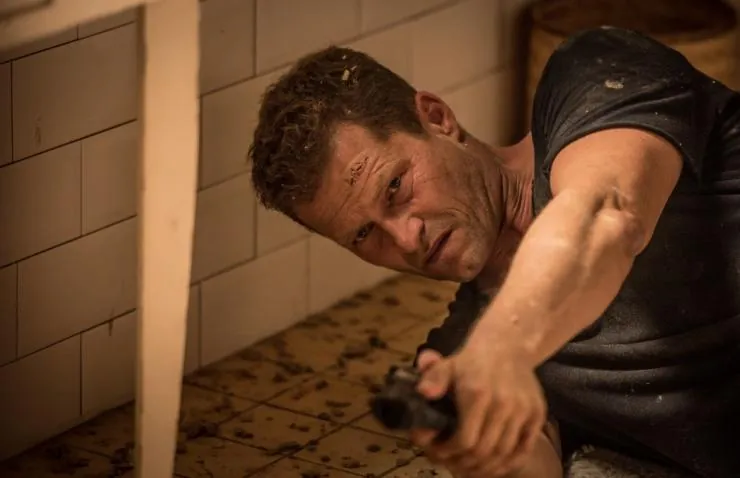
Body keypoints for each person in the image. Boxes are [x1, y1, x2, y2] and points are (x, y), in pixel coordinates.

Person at [248, 25, 740, 478]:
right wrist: (482, 446)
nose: (405, 239)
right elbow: (537, 465)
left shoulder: (595, 74)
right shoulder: (460, 353)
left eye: (396, 187)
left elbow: (605, 215)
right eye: (363, 235)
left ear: (437, 118)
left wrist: (501, 352)